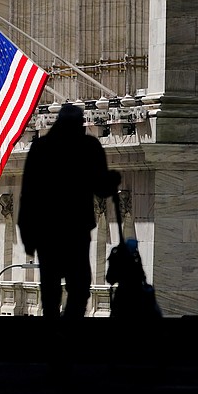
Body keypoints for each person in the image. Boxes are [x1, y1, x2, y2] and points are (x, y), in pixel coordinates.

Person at [18, 104, 121, 320]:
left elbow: (28, 195)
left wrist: (27, 234)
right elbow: (101, 187)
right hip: (74, 229)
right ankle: (69, 327)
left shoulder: (41, 148)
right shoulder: (87, 147)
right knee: (79, 283)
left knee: (52, 284)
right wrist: (111, 180)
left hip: (49, 230)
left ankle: (55, 327)